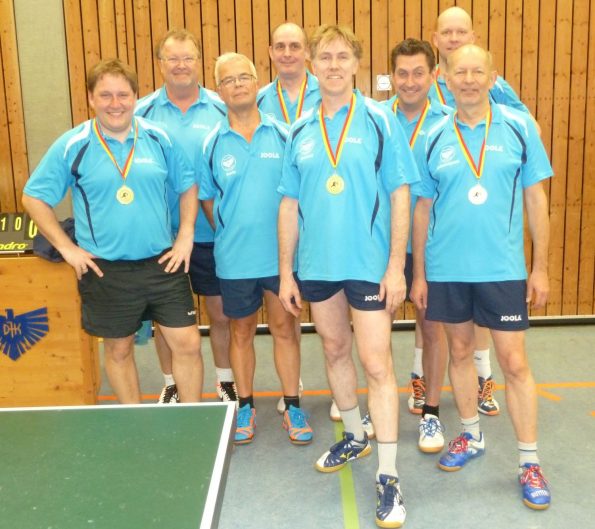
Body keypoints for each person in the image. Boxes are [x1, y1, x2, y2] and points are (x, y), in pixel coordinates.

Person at [278, 25, 419, 528]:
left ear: (356, 63)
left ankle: (388, 475)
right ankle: (355, 434)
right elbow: (289, 204)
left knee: (376, 364)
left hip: (368, 266)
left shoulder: (380, 120)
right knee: (335, 350)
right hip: (318, 266)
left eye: (342, 56)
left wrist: (396, 266)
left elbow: (400, 192)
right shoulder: (300, 129)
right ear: (312, 65)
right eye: (325, 57)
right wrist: (286, 273)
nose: (333, 65)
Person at [411, 44, 552, 510]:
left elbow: (536, 199)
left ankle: (529, 461)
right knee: (459, 352)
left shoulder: (518, 126)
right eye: (460, 72)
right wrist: (420, 274)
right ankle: (470, 436)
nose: (468, 79)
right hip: (447, 269)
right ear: (445, 78)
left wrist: (540, 267)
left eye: (477, 72)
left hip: (502, 270)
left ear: (493, 78)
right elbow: (422, 207)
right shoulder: (433, 135)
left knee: (514, 363)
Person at [22, 59, 203, 404]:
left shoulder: (158, 138)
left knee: (188, 344)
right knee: (119, 350)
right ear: (91, 98)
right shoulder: (73, 144)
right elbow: (33, 197)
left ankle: (193, 421)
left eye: (123, 95)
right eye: (105, 95)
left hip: (163, 262)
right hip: (106, 269)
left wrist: (185, 236)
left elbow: (188, 185)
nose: (115, 103)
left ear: (135, 96)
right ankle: (133, 421)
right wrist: (67, 249)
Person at [426, 4, 538, 416]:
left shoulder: (497, 89)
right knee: (435, 326)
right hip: (442, 227)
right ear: (436, 39)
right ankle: (428, 382)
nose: (454, 38)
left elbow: (529, 133)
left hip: (492, 246)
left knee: (494, 336)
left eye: (462, 32)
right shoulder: (426, 82)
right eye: (447, 32)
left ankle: (484, 378)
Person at [200, 52, 311, 446]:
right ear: (219, 90)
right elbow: (208, 199)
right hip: (235, 259)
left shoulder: (285, 134)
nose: (238, 85)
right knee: (241, 330)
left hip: (280, 259)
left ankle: (292, 405)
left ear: (256, 81)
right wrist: (232, 231)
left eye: (244, 77)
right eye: (228, 80)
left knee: (285, 329)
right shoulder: (212, 143)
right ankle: (244, 406)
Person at [135, 29, 235, 405]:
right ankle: (171, 383)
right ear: (160, 64)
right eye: (172, 58)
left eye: (187, 57)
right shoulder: (140, 112)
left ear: (199, 62)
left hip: (213, 234)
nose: (180, 65)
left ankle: (225, 380)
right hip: (162, 238)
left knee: (220, 314)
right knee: (166, 320)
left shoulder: (222, 107)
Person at [381, 38, 452, 453]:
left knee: (431, 329)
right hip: (382, 248)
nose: (410, 81)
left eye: (418, 73)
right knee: (377, 332)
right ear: (392, 76)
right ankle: (381, 405)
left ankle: (431, 413)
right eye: (402, 73)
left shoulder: (447, 123)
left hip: (433, 248)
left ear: (434, 75)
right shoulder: (375, 120)